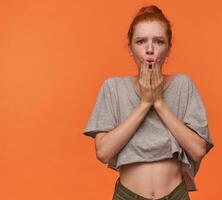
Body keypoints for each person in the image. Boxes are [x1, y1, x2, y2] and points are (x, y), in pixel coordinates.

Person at [83, 5, 214, 200]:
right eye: (141, 41)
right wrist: (145, 103)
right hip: (127, 195)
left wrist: (159, 102)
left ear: (168, 48)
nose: (150, 49)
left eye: (159, 41)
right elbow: (103, 152)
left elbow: (197, 150)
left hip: (175, 195)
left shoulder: (183, 85)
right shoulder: (113, 88)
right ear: (130, 48)